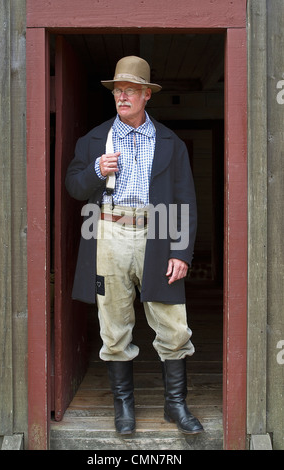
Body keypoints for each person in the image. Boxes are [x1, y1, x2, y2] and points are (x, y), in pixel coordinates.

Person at [65, 56, 203, 436]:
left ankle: (176, 405)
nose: (122, 96)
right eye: (117, 90)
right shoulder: (94, 140)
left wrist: (181, 252)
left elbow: (185, 201)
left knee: (173, 325)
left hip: (157, 233)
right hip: (107, 233)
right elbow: (74, 186)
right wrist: (96, 170)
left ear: (147, 95)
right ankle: (123, 406)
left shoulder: (170, 143)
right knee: (114, 326)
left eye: (130, 90)